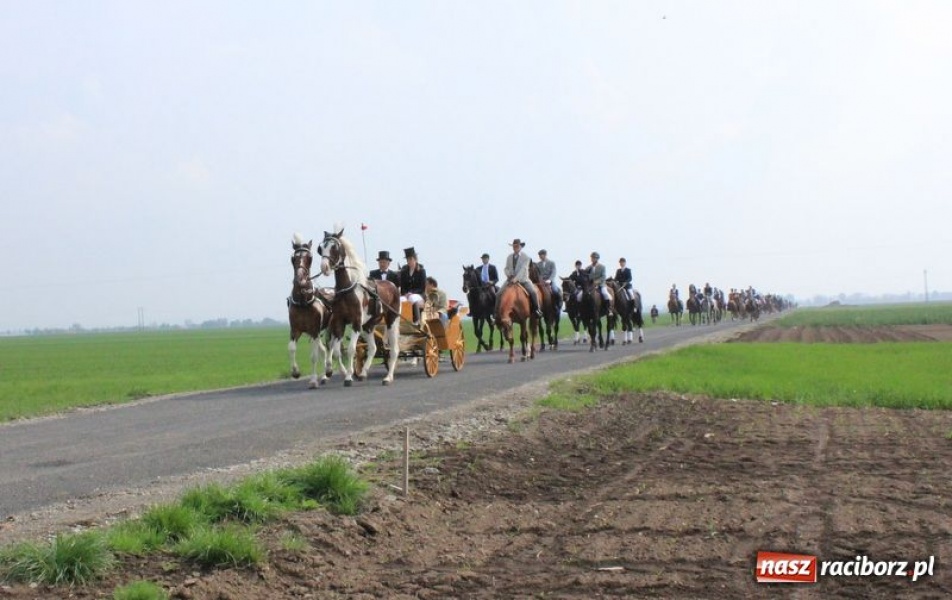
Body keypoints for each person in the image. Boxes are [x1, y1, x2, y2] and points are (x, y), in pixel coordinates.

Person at [503, 238, 542, 318]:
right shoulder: (509, 257)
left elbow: (523, 269)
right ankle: (496, 313)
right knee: (499, 293)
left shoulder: (526, 257)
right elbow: (506, 268)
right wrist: (509, 275)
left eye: (517, 246)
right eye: (514, 246)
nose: (515, 248)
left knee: (533, 292)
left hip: (523, 280)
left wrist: (516, 279)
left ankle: (537, 310)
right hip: (510, 280)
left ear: (520, 247)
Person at [399, 247, 427, 324]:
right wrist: (405, 294)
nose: (409, 261)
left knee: (412, 298)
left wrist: (411, 293)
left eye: (410, 259)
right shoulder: (404, 272)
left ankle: (416, 321)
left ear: (415, 259)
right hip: (406, 295)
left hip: (419, 294)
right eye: (407, 260)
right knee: (400, 300)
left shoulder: (421, 271)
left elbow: (422, 287)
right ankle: (402, 321)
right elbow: (403, 287)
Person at [584, 252, 613, 316]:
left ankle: (608, 309)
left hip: (601, 284)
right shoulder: (588, 267)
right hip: (590, 285)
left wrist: (597, 282)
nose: (593, 259)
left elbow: (603, 277)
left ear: (597, 259)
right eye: (592, 258)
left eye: (594, 258)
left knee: (605, 293)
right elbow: (586, 276)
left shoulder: (602, 267)